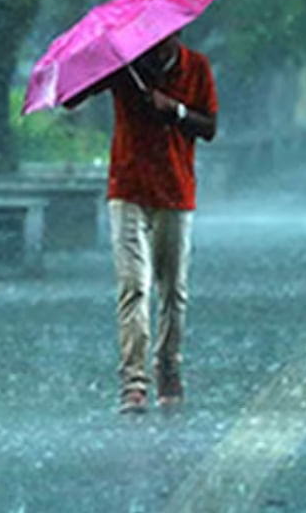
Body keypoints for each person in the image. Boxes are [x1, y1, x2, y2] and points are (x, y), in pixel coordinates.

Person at [71, 31, 218, 414]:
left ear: (177, 35)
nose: (154, 48)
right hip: (128, 187)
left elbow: (210, 127)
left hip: (175, 189)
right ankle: (133, 381)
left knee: (173, 290)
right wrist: (96, 64)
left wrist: (177, 111)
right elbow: (72, 100)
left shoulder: (196, 67)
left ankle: (168, 367)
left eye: (162, 41)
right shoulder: (125, 66)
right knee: (134, 286)